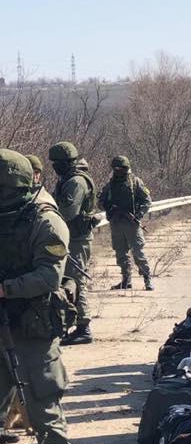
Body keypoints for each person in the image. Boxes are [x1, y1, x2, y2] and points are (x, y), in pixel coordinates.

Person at [0, 149, 79, 444]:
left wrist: (5, 289)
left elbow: (49, 275)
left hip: (32, 323)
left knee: (42, 401)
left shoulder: (44, 219)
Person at [50, 143, 98, 345]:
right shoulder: (68, 179)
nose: (54, 167)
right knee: (69, 280)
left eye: (57, 163)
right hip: (72, 237)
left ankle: (83, 326)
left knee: (75, 281)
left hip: (77, 238)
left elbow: (68, 211)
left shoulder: (76, 182)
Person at [98, 156, 153, 291]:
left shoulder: (135, 182)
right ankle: (126, 280)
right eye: (116, 168)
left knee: (138, 253)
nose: (118, 171)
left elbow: (147, 201)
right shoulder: (110, 185)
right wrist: (109, 208)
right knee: (121, 253)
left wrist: (138, 215)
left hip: (131, 224)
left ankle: (147, 279)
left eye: (121, 168)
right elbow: (100, 202)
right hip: (116, 223)